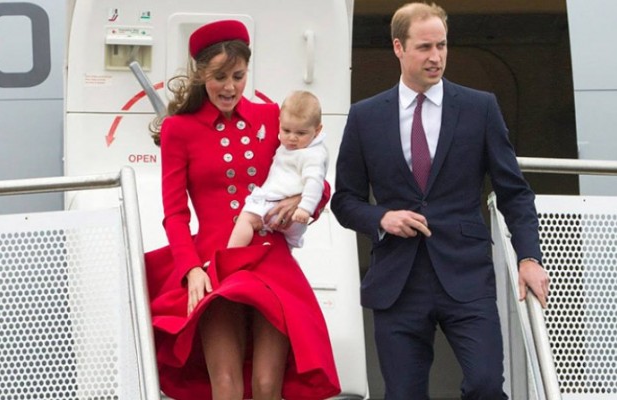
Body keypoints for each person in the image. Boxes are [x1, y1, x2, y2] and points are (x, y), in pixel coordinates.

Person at [330, 2, 550, 399]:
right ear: (398, 47)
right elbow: (345, 200)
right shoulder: (365, 117)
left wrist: (529, 257)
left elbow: (514, 192)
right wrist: (382, 218)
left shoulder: (480, 108)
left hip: (466, 276)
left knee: (485, 385)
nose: (436, 57)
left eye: (442, 45)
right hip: (397, 282)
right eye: (425, 47)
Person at [144, 20, 340, 400]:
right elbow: (175, 213)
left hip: (270, 259)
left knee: (267, 385)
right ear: (201, 74)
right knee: (227, 385)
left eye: (238, 76)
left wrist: (300, 202)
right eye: (219, 77)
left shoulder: (271, 116)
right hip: (215, 261)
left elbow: (314, 170)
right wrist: (190, 269)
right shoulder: (178, 129)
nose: (230, 87)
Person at [227, 90, 327, 249]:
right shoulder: (300, 146)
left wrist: (305, 208)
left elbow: (315, 181)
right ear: (279, 122)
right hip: (294, 221)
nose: (292, 138)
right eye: (286, 130)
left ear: (317, 130)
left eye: (301, 133)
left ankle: (230, 254)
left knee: (246, 219)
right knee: (286, 248)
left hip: (279, 207)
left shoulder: (313, 155)